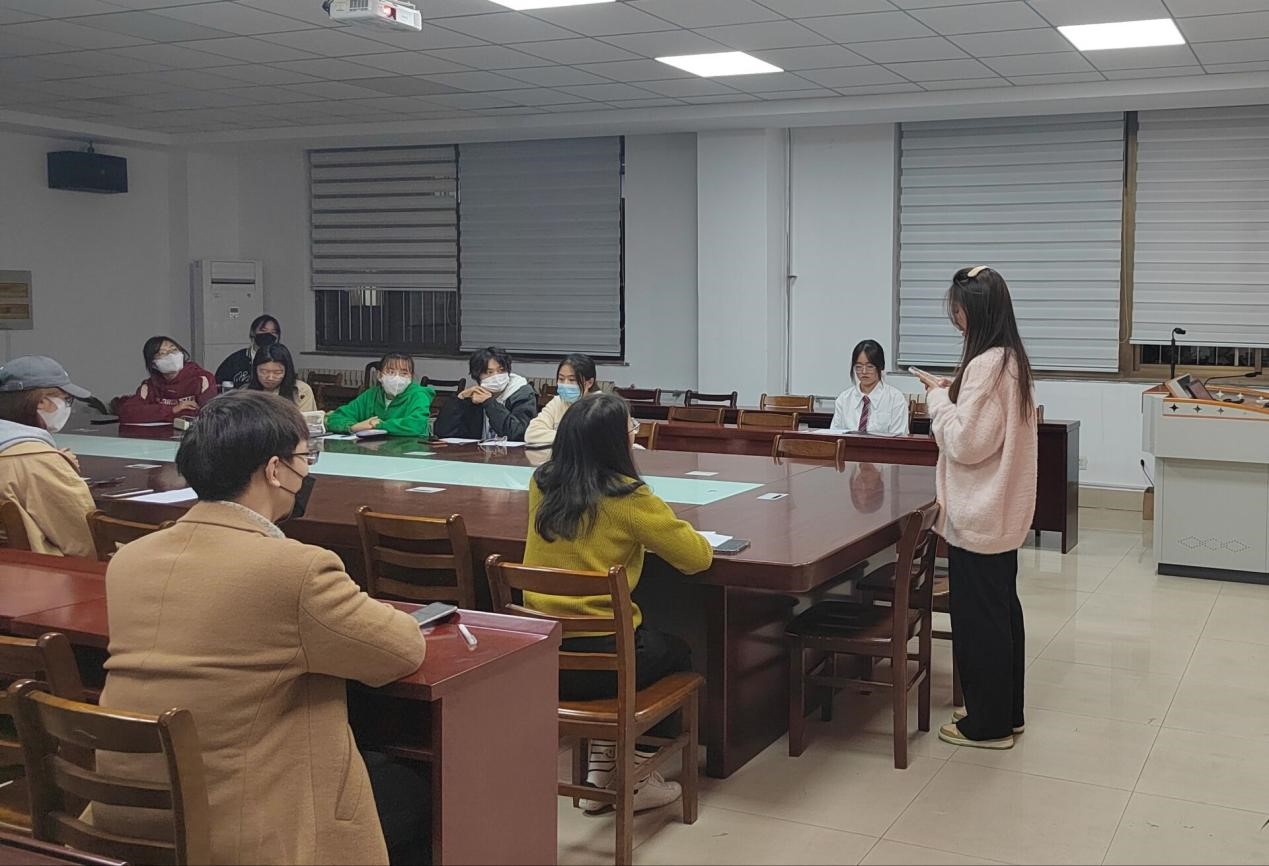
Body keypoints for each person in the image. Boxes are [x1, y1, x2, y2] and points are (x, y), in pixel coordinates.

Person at [93, 391, 429, 864]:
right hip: (235, 827)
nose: (307, 471)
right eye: (304, 458)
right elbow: (399, 651)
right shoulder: (296, 569)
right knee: (419, 792)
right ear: (275, 470)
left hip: (122, 809)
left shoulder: (130, 559)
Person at [524, 392, 712, 814]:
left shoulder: (541, 484)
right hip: (606, 665)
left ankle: (603, 765)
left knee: (641, 642)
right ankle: (636, 773)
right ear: (617, 443)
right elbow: (697, 558)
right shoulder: (627, 497)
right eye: (631, 429)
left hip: (541, 659)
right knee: (676, 651)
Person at [911, 266, 1037, 751]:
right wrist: (953, 393)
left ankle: (987, 725)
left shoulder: (987, 364)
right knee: (1002, 614)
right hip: (1001, 515)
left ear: (977, 312)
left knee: (979, 622)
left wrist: (937, 401)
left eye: (959, 311)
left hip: (979, 514)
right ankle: (1007, 714)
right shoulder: (1011, 359)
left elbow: (966, 442)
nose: (956, 320)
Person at [0, 356, 95, 557]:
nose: (68, 407)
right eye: (67, 400)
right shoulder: (38, 461)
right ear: (42, 402)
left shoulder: (30, 456)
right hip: (42, 570)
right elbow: (85, 541)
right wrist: (56, 466)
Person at [433, 347, 536, 441]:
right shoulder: (474, 396)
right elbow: (443, 432)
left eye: (501, 370)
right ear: (477, 376)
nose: (496, 377)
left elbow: (518, 434)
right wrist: (459, 400)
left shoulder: (522, 394)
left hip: (512, 454)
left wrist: (489, 403)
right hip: (477, 452)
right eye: (489, 372)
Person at [326, 352, 433, 437]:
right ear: (379, 375)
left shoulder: (418, 395)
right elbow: (335, 418)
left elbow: (416, 424)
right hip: (373, 449)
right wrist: (353, 427)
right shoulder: (371, 395)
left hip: (409, 449)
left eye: (404, 373)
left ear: (411, 377)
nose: (397, 378)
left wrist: (378, 425)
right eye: (391, 372)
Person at [116, 336, 216, 425]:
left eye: (174, 350)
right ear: (153, 364)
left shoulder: (202, 379)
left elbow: (210, 413)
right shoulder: (150, 385)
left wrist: (153, 413)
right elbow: (127, 413)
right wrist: (173, 409)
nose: (171, 355)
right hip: (157, 436)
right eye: (163, 353)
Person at [830, 339, 910, 436]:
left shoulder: (895, 399)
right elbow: (834, 434)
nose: (864, 371)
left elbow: (899, 437)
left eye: (870, 366)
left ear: (881, 366)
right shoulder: (844, 399)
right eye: (858, 366)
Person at [526, 353, 599, 446]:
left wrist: (554, 436)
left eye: (572, 380)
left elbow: (593, 440)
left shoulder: (600, 406)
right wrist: (572, 437)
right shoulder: (558, 402)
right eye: (561, 379)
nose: (565, 384)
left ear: (589, 382)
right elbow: (531, 433)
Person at [215, 314, 281, 390]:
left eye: (273, 332)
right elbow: (219, 385)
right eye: (263, 331)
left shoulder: (281, 359)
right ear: (252, 333)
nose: (268, 335)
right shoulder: (235, 360)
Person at [249, 342, 316, 412]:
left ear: (287, 371)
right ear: (255, 370)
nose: (270, 378)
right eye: (264, 372)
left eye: (277, 373)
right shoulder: (246, 392)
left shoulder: (301, 391)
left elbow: (306, 418)